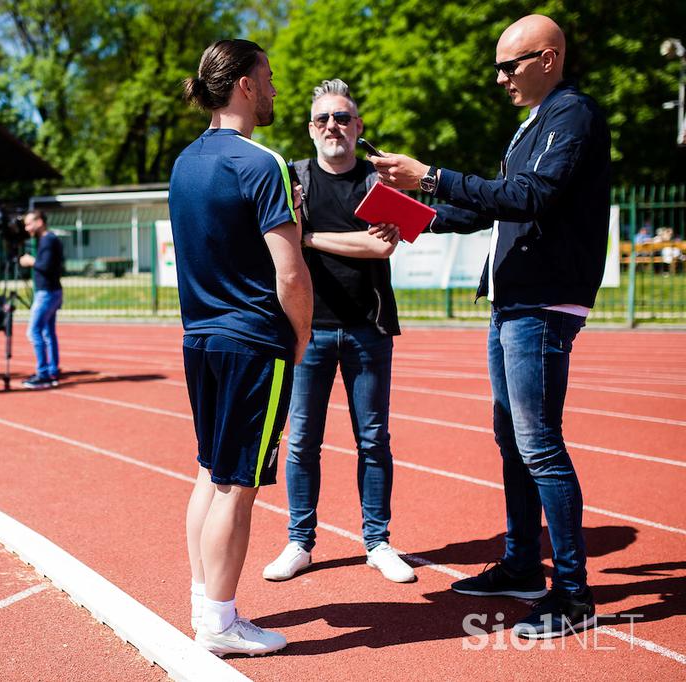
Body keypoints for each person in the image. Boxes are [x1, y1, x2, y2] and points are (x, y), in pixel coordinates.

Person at [370, 14, 610, 639]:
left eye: (511, 64)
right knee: (513, 442)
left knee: (539, 445)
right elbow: (493, 209)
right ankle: (525, 565)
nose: (499, 77)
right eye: (498, 66)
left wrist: (432, 175)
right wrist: (413, 217)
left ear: (549, 57)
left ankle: (574, 594)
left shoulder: (572, 114)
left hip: (542, 304)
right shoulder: (532, 125)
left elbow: (530, 198)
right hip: (513, 303)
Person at [170, 39, 312, 657]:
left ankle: (206, 603)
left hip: (199, 338)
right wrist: (300, 338)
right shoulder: (263, 164)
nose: (276, 89)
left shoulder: (184, 163)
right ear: (247, 85)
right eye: (271, 77)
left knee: (209, 471)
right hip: (253, 340)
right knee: (238, 484)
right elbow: (290, 272)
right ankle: (221, 623)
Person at [261, 79, 414, 585]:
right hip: (307, 331)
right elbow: (276, 247)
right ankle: (299, 541)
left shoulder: (379, 182)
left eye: (343, 118)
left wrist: (309, 237)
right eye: (324, 118)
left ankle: (378, 541)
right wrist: (327, 238)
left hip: (368, 330)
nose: (334, 126)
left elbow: (381, 249)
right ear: (310, 128)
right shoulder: (291, 178)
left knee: (373, 440)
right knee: (302, 440)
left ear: (359, 127)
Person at [19, 210, 64, 389]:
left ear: (39, 222)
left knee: (34, 332)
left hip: (46, 292)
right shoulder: (51, 239)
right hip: (53, 291)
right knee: (47, 332)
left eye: (29, 224)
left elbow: (45, 265)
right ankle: (51, 369)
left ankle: (44, 373)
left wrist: (30, 261)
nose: (27, 228)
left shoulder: (47, 240)